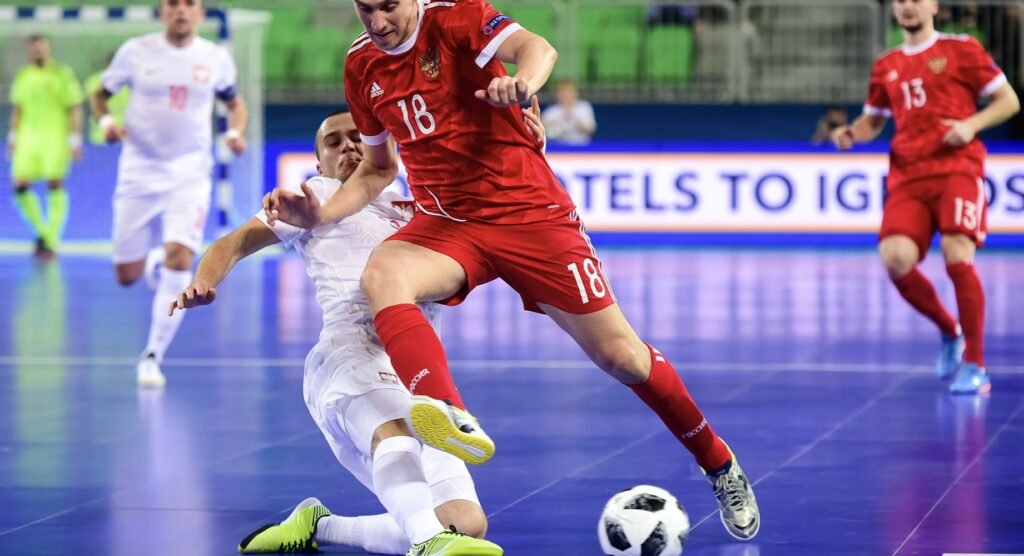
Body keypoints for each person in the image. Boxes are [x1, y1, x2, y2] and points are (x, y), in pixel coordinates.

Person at [266, 0, 759, 541]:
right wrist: (320, 213)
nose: (377, 22)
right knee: (384, 273)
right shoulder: (362, 64)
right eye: (365, 9)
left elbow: (537, 48)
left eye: (388, 7)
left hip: (531, 219)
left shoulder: (458, 20)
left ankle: (718, 463)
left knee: (624, 358)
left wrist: (522, 81)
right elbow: (377, 169)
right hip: (448, 221)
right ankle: (445, 409)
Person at [172, 108, 527, 555]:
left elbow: (495, 205)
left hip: (415, 373)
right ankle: (427, 545)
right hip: (349, 357)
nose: (348, 146)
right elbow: (233, 242)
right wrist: (205, 279)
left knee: (466, 523)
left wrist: (529, 138)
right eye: (333, 142)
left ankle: (321, 526)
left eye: (358, 136)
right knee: (396, 434)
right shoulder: (316, 199)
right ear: (319, 164)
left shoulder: (419, 203)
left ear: (385, 147)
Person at [832, 0, 1020, 394]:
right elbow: (874, 119)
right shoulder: (887, 63)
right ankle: (950, 330)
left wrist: (971, 124)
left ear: (933, 5)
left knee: (957, 255)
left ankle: (976, 366)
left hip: (957, 168)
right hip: (908, 175)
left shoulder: (962, 48)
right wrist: (853, 133)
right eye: (900, 1)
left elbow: (1008, 100)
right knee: (895, 260)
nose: (907, 6)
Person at [90, 0, 248, 388]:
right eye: (172, 4)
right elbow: (99, 95)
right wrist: (107, 121)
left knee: (182, 255)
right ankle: (152, 262)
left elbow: (234, 103)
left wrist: (234, 132)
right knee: (126, 276)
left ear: (199, 13)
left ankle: (151, 356)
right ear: (162, 12)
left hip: (190, 172)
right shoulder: (135, 51)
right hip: (139, 170)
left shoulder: (215, 58)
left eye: (189, 4)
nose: (180, 10)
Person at [6, 34, 84, 260]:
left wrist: (75, 140)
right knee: (19, 186)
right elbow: (18, 109)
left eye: (42, 48)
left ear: (48, 50)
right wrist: (13, 137)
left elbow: (74, 107)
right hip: (27, 140)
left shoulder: (62, 74)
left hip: (55, 139)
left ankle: (51, 241)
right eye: (34, 49)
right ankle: (43, 233)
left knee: (54, 184)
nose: (38, 52)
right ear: (29, 52)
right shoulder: (24, 76)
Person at [540, 79, 597, 146]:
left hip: (582, 147)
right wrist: (557, 122)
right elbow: (542, 130)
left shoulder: (584, 107)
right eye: (562, 92)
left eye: (568, 92)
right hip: (558, 148)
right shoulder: (552, 111)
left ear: (575, 93)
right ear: (557, 95)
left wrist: (574, 117)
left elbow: (591, 130)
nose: (566, 95)